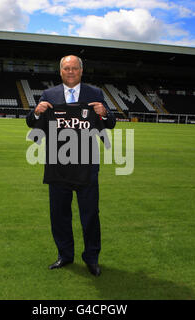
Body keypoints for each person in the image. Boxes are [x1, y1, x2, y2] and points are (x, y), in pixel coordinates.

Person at [26, 55, 116, 276]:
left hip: (87, 166)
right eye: (67, 68)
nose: (71, 72)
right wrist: (36, 111)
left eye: (75, 68)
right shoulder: (49, 95)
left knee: (90, 215)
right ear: (60, 72)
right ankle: (64, 255)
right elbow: (32, 124)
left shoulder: (95, 93)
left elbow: (110, 123)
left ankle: (92, 258)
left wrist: (104, 113)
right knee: (59, 215)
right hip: (58, 166)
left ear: (81, 71)